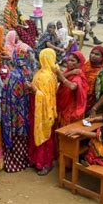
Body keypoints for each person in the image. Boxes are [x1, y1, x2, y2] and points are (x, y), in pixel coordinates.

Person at [1, 44, 34, 173]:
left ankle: (14, 163)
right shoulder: (29, 72)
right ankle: (24, 159)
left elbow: (8, 95)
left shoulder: (13, 75)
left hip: (14, 114)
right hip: (25, 112)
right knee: (23, 137)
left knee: (14, 136)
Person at [26, 48, 58, 176]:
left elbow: (44, 96)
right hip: (39, 110)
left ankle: (45, 163)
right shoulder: (49, 73)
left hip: (43, 111)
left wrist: (34, 90)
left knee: (44, 136)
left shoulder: (45, 76)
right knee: (39, 134)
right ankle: (36, 160)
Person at [56, 51, 88, 127]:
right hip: (62, 104)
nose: (69, 62)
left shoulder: (78, 76)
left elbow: (73, 86)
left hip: (69, 108)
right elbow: (58, 79)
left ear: (79, 64)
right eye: (69, 60)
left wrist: (62, 77)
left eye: (72, 61)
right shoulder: (69, 71)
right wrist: (71, 73)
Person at [83, 46, 103, 117]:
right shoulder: (87, 65)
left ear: (102, 57)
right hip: (82, 100)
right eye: (92, 53)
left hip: (93, 104)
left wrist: (94, 108)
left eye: (97, 54)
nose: (93, 55)